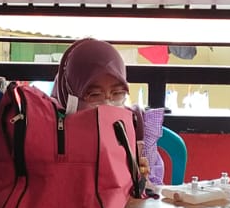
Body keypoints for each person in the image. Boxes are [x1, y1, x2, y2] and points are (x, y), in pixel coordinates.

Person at [51, 37, 161, 183]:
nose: (107, 104)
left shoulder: (137, 129)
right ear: (70, 96)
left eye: (117, 93)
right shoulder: (49, 135)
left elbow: (154, 188)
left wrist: (140, 180)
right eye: (95, 95)